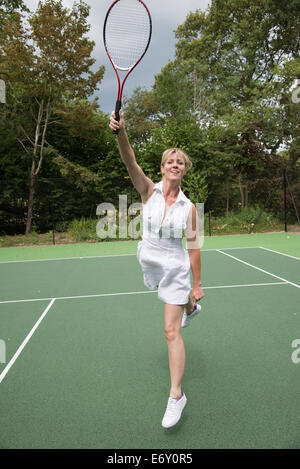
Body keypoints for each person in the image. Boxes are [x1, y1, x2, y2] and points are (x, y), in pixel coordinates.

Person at [109, 110, 204, 429]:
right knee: (180, 312)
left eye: (180, 162)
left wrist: (197, 282)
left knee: (170, 331)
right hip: (150, 258)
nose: (174, 165)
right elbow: (129, 161)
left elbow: (192, 246)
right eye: (169, 162)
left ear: (184, 169)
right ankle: (192, 308)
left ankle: (176, 395)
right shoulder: (148, 191)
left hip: (176, 266)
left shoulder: (189, 208)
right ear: (162, 168)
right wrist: (121, 131)